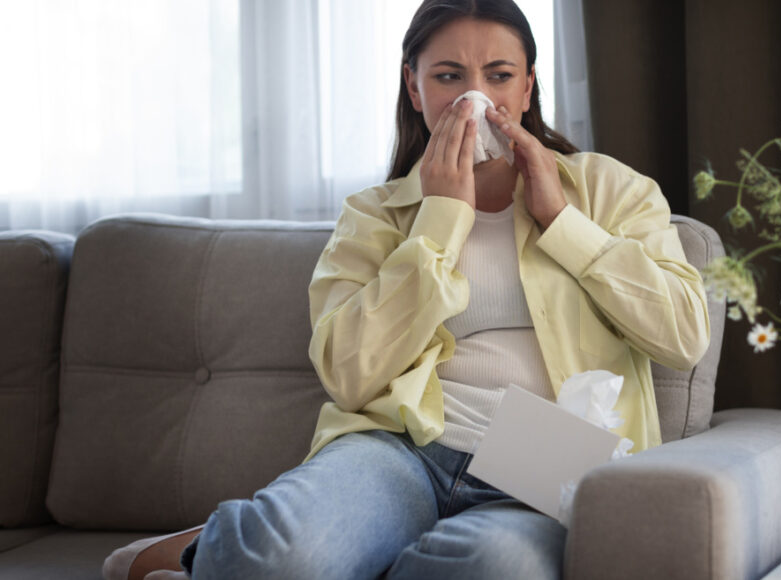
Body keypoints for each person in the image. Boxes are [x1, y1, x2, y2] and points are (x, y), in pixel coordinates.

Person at [104, 0, 709, 578]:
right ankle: (234, 551)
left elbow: (683, 336)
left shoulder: (610, 191)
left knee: (493, 568)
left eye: (499, 76)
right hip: (403, 448)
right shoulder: (374, 216)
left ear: (526, 88)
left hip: (546, 468)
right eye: (449, 76)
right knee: (275, 560)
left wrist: (562, 222)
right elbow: (348, 374)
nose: (477, 99)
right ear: (415, 88)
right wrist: (441, 220)